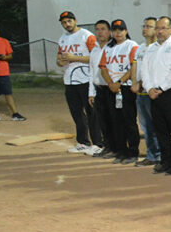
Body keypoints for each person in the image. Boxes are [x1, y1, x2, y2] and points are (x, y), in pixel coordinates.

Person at [145, 16, 171, 175]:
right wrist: (149, 88)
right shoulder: (151, 48)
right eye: (157, 28)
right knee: (160, 130)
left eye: (163, 28)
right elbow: (145, 70)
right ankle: (165, 160)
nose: (160, 31)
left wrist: (161, 88)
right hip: (153, 94)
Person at [56, 11, 100, 153]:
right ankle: (83, 142)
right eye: (64, 22)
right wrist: (61, 61)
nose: (67, 24)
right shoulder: (62, 39)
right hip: (69, 80)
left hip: (86, 79)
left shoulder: (86, 36)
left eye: (69, 21)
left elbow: (95, 58)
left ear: (75, 20)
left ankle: (98, 143)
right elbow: (59, 60)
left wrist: (74, 57)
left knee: (92, 112)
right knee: (76, 113)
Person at [98, 19, 140, 163]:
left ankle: (133, 152)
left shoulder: (131, 45)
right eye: (115, 30)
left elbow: (133, 67)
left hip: (126, 87)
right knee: (116, 121)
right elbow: (103, 67)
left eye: (121, 30)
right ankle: (121, 151)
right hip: (112, 89)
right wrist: (111, 83)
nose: (118, 33)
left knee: (129, 121)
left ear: (126, 31)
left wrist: (119, 82)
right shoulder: (109, 47)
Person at [130, 17, 161, 166]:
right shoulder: (140, 47)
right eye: (144, 26)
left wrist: (142, 83)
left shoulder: (157, 47)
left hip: (152, 92)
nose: (145, 28)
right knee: (146, 126)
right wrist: (134, 82)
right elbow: (135, 66)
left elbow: (153, 70)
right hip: (141, 94)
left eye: (149, 26)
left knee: (156, 125)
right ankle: (152, 154)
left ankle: (160, 154)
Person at [88, 20, 114, 158]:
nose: (100, 32)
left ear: (109, 31)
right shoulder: (95, 49)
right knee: (103, 121)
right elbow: (92, 72)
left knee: (114, 120)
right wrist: (91, 93)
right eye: (97, 29)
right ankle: (107, 146)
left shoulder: (114, 47)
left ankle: (118, 147)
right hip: (99, 89)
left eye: (103, 29)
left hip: (112, 89)